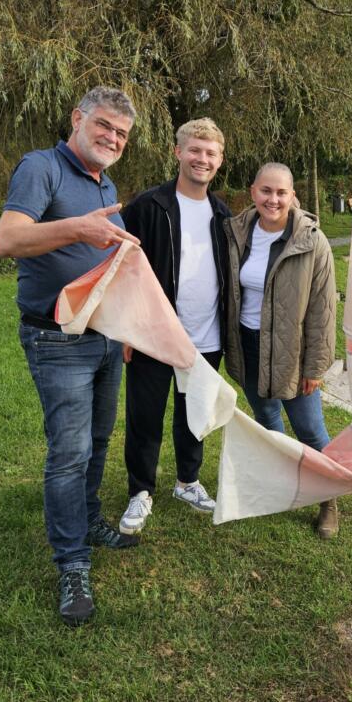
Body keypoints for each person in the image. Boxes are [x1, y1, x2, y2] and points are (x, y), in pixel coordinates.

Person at [0, 86, 142, 627]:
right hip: (57, 340)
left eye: (121, 134)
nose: (112, 138)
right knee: (70, 454)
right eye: (104, 125)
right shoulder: (42, 168)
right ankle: (72, 563)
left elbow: (108, 265)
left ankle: (90, 519)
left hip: (104, 336)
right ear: (77, 119)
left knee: (98, 441)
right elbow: (7, 240)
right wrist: (80, 227)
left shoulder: (106, 183)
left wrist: (126, 327)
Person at [118, 118, 231, 534]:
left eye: (210, 153)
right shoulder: (149, 207)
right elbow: (122, 267)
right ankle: (140, 491)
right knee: (144, 417)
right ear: (178, 152)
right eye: (195, 150)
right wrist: (127, 329)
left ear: (220, 160)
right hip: (154, 335)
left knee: (194, 415)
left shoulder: (223, 215)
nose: (202, 159)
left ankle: (188, 481)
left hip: (206, 336)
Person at [223, 163, 338, 537]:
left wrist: (315, 366)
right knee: (267, 419)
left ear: (292, 195)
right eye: (266, 191)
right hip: (249, 344)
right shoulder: (237, 232)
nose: (273, 199)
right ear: (253, 192)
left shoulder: (312, 242)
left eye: (281, 192)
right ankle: (284, 484)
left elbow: (323, 309)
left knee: (311, 430)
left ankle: (328, 500)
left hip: (293, 351)